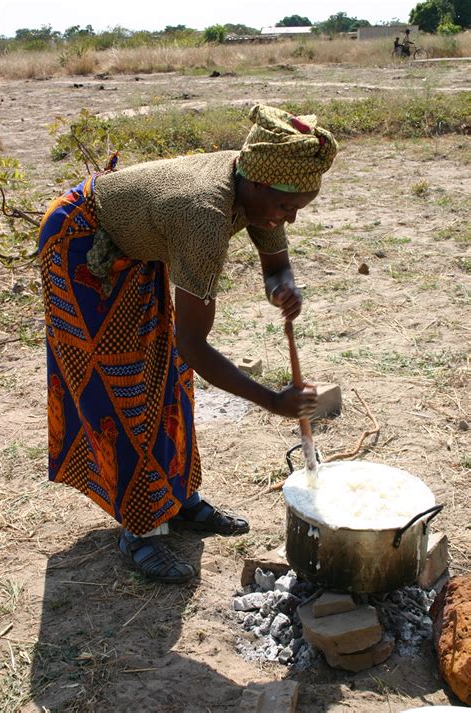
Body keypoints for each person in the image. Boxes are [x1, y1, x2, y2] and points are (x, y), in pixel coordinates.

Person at [38, 104, 338, 584]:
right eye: (287, 208)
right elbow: (195, 347)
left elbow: (276, 262)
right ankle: (141, 529)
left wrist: (283, 286)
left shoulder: (260, 183)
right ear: (257, 186)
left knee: (167, 377)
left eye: (297, 209)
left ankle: (178, 500)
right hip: (81, 240)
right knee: (121, 385)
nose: (290, 219)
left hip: (139, 242)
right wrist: (271, 401)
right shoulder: (203, 214)